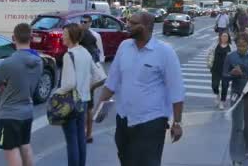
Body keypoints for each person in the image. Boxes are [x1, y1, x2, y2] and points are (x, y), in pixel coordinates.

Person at [95, 13, 185, 166]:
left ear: (146, 27)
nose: (127, 25)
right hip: (123, 120)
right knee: (126, 161)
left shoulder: (165, 52)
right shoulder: (124, 47)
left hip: (151, 122)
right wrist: (98, 110)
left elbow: (176, 89)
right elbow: (112, 82)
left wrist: (177, 122)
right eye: (128, 21)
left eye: (133, 23)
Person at [0, 23, 42, 166]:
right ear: (31, 38)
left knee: (10, 149)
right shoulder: (38, 61)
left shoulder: (8, 63)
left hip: (10, 114)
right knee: (25, 145)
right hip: (27, 111)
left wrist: (4, 85)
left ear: (13, 38)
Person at [54, 23, 98, 166]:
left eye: (64, 34)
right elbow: (99, 76)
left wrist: (56, 93)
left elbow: (69, 84)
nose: (62, 36)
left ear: (71, 36)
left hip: (71, 103)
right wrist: (86, 87)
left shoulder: (69, 55)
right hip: (84, 101)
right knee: (80, 138)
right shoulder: (85, 52)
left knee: (71, 141)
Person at [223, 33, 248, 166]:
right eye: (238, 46)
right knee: (237, 125)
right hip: (236, 93)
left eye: (244, 46)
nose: (241, 48)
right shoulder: (230, 57)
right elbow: (224, 75)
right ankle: (236, 156)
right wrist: (231, 74)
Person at [80, 15, 104, 143]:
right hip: (90, 77)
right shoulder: (83, 34)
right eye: (81, 21)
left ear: (90, 22)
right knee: (88, 107)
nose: (83, 23)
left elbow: (101, 54)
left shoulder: (94, 36)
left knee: (85, 107)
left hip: (88, 78)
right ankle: (87, 133)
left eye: (85, 21)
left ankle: (87, 133)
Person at [209, 32, 232, 109]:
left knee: (225, 86)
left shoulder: (231, 47)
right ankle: (217, 94)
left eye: (226, 36)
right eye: (223, 36)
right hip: (216, 68)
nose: (224, 37)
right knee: (214, 85)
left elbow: (233, 57)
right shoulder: (215, 45)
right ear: (220, 37)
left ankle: (222, 101)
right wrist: (209, 63)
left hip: (226, 70)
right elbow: (210, 53)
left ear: (228, 38)